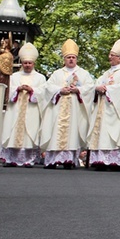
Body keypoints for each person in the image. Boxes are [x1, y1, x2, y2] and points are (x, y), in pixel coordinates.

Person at [40, 39, 95, 169]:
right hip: (58, 109)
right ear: (64, 59)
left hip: (74, 109)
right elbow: (48, 87)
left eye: (73, 57)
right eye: (68, 57)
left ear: (77, 59)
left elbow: (90, 88)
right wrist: (60, 90)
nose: (71, 59)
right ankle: (52, 160)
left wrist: (78, 90)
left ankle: (68, 160)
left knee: (72, 132)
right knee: (55, 132)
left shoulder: (83, 73)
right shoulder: (57, 73)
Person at [88, 40, 120, 170]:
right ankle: (100, 160)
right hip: (103, 107)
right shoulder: (107, 72)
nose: (109, 57)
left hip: (115, 109)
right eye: (109, 54)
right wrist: (97, 88)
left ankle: (115, 161)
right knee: (101, 132)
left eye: (112, 55)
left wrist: (107, 89)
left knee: (113, 134)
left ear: (119, 58)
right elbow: (97, 83)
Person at [0, 42, 46, 167]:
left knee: (29, 132)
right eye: (25, 63)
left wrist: (32, 90)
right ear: (22, 63)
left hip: (31, 109)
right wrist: (18, 89)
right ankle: (11, 159)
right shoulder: (14, 76)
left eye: (29, 63)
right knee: (13, 131)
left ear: (33, 64)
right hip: (16, 109)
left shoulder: (40, 78)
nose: (27, 65)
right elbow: (8, 90)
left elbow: (43, 93)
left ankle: (28, 160)